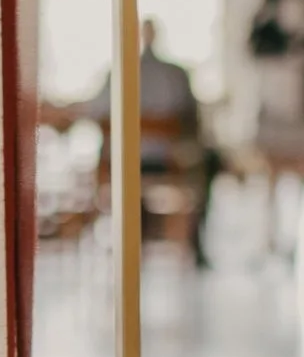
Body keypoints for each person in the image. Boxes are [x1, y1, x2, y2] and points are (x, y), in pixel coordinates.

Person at [85, 17, 216, 263]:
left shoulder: (118, 72)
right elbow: (190, 120)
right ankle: (194, 243)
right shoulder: (174, 75)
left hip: (127, 161)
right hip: (164, 161)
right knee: (206, 163)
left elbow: (98, 115)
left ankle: (142, 236)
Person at [247, 0, 304, 256]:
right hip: (270, 94)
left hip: (296, 95)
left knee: (300, 165)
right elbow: (252, 44)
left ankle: (296, 232)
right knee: (270, 168)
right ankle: (269, 232)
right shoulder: (266, 0)